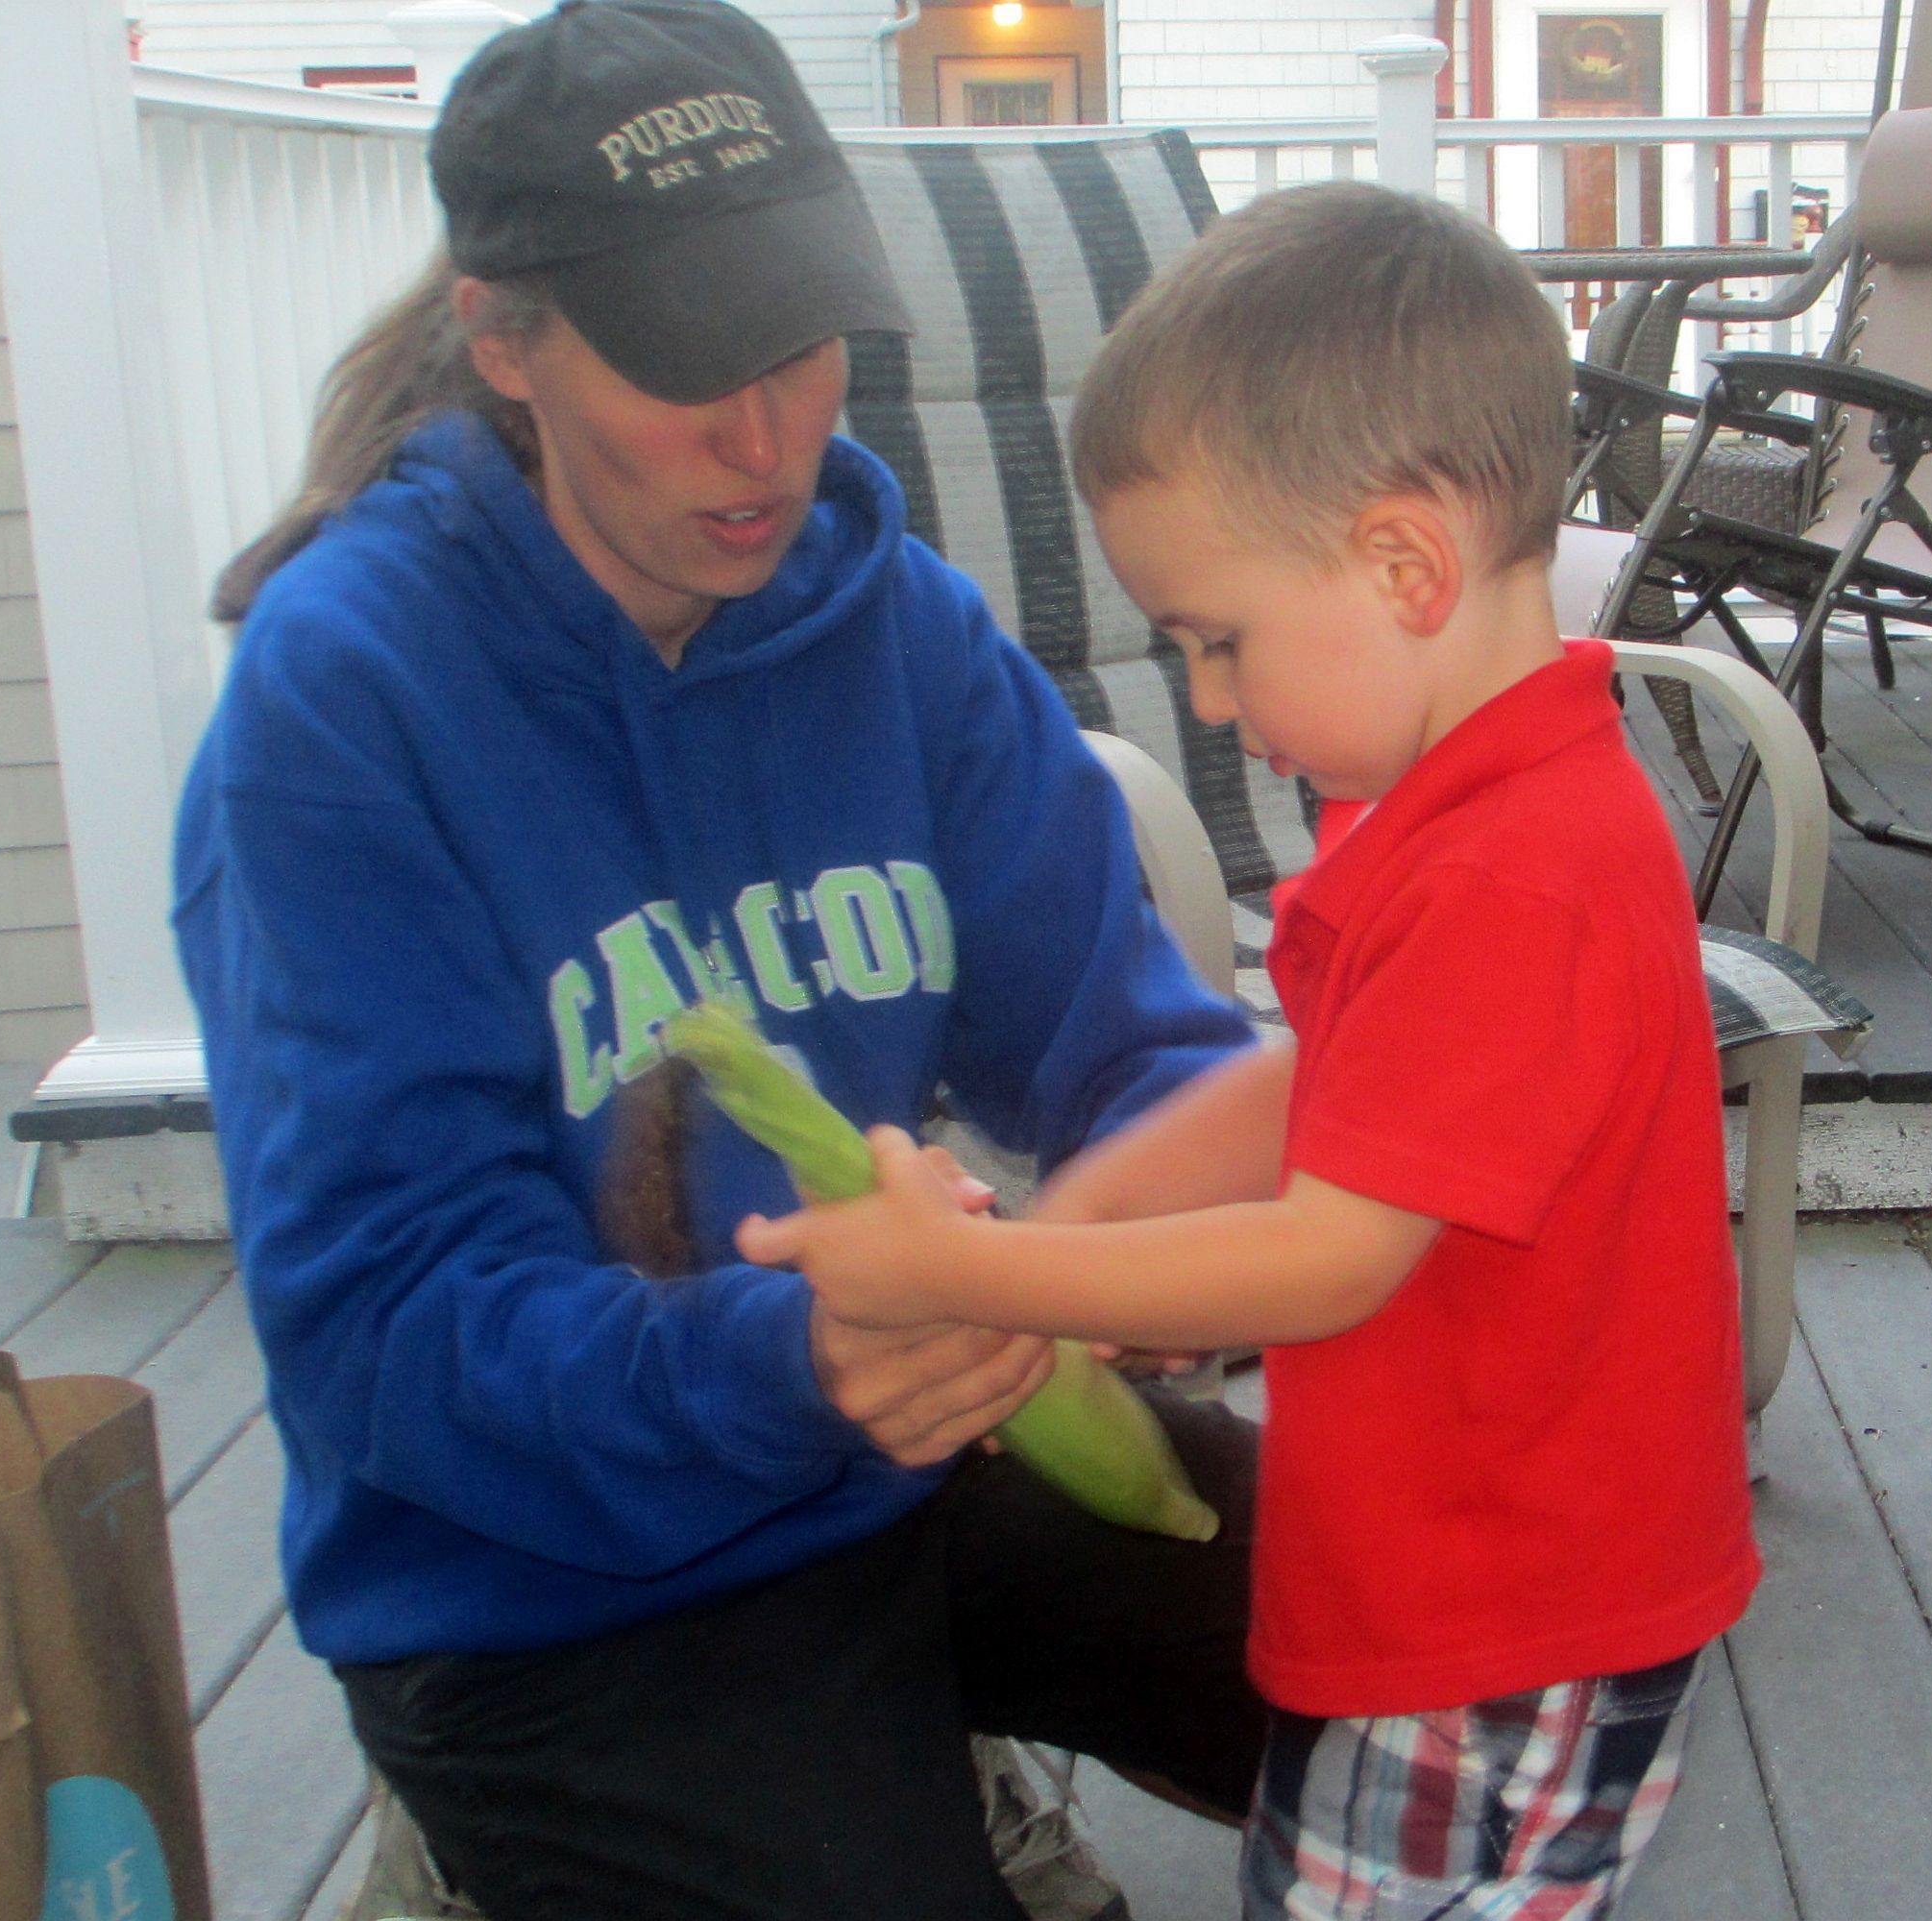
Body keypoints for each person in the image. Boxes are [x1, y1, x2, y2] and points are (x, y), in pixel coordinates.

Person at [173, 2, 1265, 1916]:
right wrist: (789, 1361)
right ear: (505, 341)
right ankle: (490, 1855)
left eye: (798, 341)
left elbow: (1129, 1044)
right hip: (544, 1587)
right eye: (683, 367)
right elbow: (386, 1331)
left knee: (1438, 1634)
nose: (764, 437)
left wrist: (1151, 1225)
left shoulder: (898, 625)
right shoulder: (342, 704)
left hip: (913, 1453)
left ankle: (919, 1739)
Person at [741, 182, 1762, 1920]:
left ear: (1402, 565)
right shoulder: (1454, 807)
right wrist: (1075, 1232)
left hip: (1498, 1623)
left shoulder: (1511, 869)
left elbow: (1329, 1255)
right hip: (1444, 1579)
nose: (1209, 702)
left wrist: (972, 1275)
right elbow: (1328, 1085)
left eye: (1219, 642)